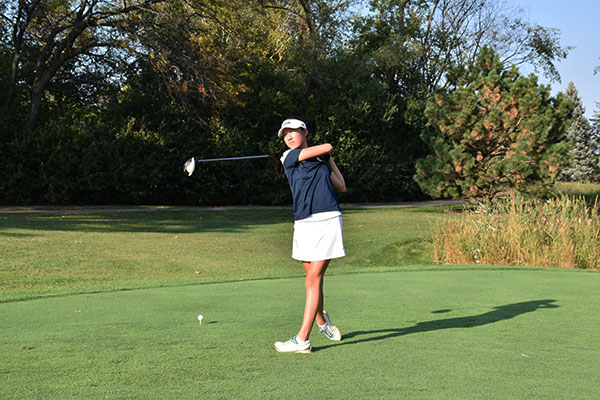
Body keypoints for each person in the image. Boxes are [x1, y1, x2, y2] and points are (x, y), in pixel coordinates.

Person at [273, 118, 346, 354]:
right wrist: (324, 154)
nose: (289, 137)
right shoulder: (288, 157)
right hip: (303, 222)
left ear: (305, 132)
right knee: (312, 277)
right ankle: (322, 322)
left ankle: (302, 339)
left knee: (312, 279)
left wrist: (329, 162)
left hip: (327, 220)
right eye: (286, 135)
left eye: (293, 132)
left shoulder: (321, 161)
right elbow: (326, 146)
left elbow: (341, 185)